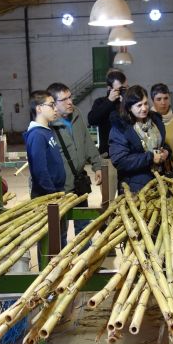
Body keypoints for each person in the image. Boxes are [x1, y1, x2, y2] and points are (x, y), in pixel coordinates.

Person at [47, 82, 103, 237]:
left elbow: (87, 142)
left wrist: (97, 165)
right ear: (54, 104)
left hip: (79, 183)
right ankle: (61, 261)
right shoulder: (48, 124)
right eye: (64, 99)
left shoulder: (77, 114)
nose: (70, 102)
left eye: (70, 97)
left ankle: (84, 260)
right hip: (61, 189)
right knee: (59, 231)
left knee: (84, 227)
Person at [109, 85, 169, 194]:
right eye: (139, 105)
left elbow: (162, 143)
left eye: (146, 103)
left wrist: (166, 151)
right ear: (129, 108)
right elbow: (120, 161)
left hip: (159, 183)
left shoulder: (156, 121)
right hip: (134, 188)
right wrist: (150, 158)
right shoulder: (121, 128)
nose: (144, 108)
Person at [24, 91, 66, 197]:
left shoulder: (45, 131)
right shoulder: (37, 135)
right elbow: (40, 170)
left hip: (56, 191)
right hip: (46, 196)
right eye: (51, 105)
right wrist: (52, 194)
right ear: (39, 108)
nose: (55, 109)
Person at [88, 69, 127, 158]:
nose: (123, 91)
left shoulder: (128, 102)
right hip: (107, 152)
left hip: (127, 151)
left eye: (125, 88)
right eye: (119, 89)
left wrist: (125, 104)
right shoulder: (100, 102)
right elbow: (92, 120)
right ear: (109, 88)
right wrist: (109, 101)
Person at [150, 83, 173, 169]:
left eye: (166, 98)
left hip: (170, 169)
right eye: (159, 99)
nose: (163, 102)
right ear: (152, 101)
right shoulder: (147, 119)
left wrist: (172, 166)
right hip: (150, 170)